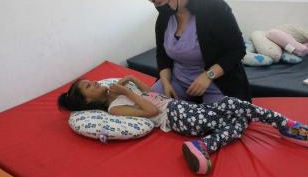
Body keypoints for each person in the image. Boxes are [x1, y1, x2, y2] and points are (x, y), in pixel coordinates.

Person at [58, 75, 308, 175]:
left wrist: (132, 81)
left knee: (237, 118)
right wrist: (127, 92)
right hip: (175, 118)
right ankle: (284, 124)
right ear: (89, 102)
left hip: (183, 109)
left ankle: (203, 145)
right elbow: (152, 110)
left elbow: (150, 94)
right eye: (89, 87)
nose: (95, 84)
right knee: (234, 106)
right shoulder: (114, 108)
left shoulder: (120, 91)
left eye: (91, 81)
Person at [143, 0, 251, 103]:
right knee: (148, 105)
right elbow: (162, 53)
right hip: (179, 80)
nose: (156, 7)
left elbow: (237, 49)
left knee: (215, 121)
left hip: (215, 81)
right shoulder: (165, 16)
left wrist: (208, 76)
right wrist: (165, 83)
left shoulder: (215, 8)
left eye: (157, 1)